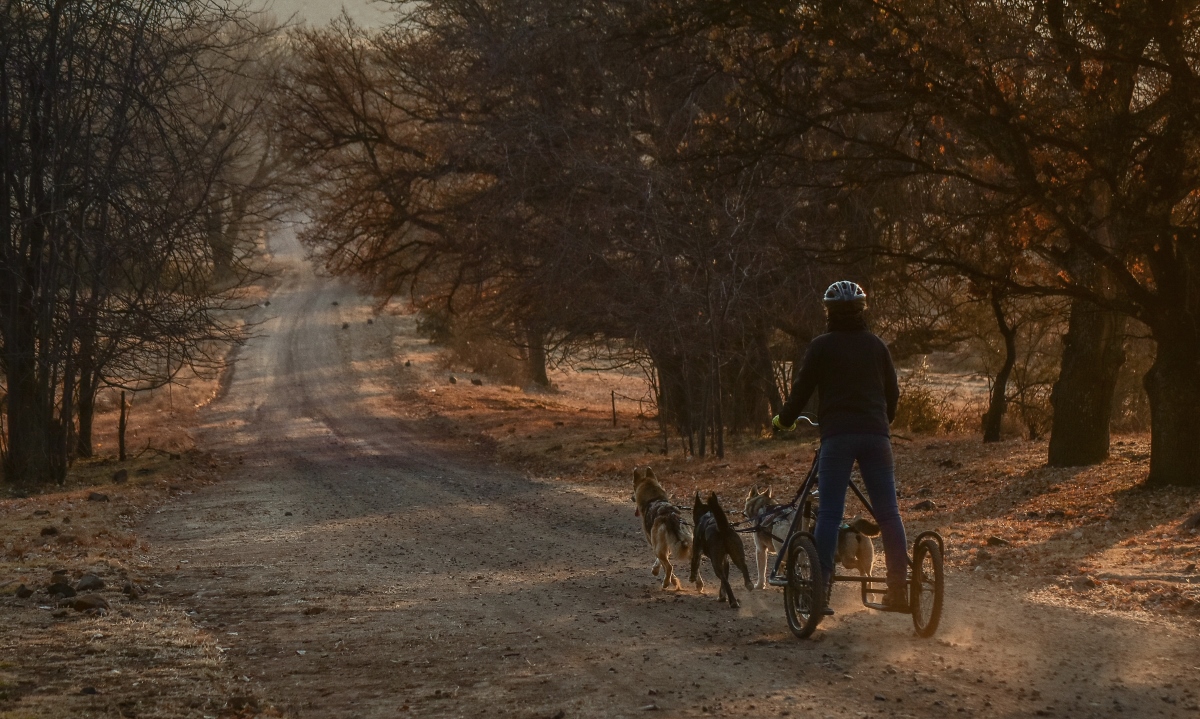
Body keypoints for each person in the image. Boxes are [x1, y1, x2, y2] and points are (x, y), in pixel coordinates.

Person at [772, 280, 909, 612]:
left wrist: (785, 420)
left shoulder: (821, 347)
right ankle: (899, 589)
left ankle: (821, 589)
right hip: (877, 437)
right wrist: (882, 420)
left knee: (830, 513)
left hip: (838, 438)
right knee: (889, 513)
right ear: (862, 311)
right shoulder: (877, 346)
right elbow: (893, 395)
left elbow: (801, 391)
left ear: (828, 312)